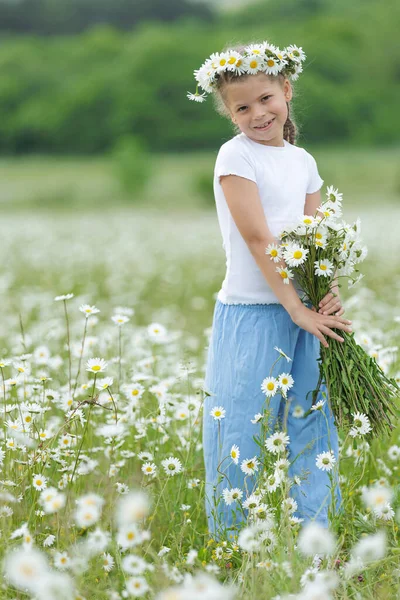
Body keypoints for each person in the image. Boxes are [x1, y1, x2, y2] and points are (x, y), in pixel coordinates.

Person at [188, 41, 353, 540]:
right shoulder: (234, 157)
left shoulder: (303, 160)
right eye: (242, 107)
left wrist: (326, 295)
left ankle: (314, 537)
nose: (258, 113)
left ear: (286, 90)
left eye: (266, 99)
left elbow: (314, 238)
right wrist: (294, 309)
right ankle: (236, 542)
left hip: (305, 312)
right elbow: (260, 239)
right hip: (253, 311)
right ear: (229, 113)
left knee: (311, 418)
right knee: (241, 425)